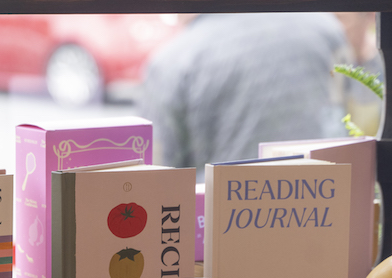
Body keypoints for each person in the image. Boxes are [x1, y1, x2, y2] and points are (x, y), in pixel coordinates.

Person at [138, 13, 368, 180]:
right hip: (324, 208)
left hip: (220, 222)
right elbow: (346, 122)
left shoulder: (174, 60)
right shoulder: (326, 28)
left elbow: (157, 178)